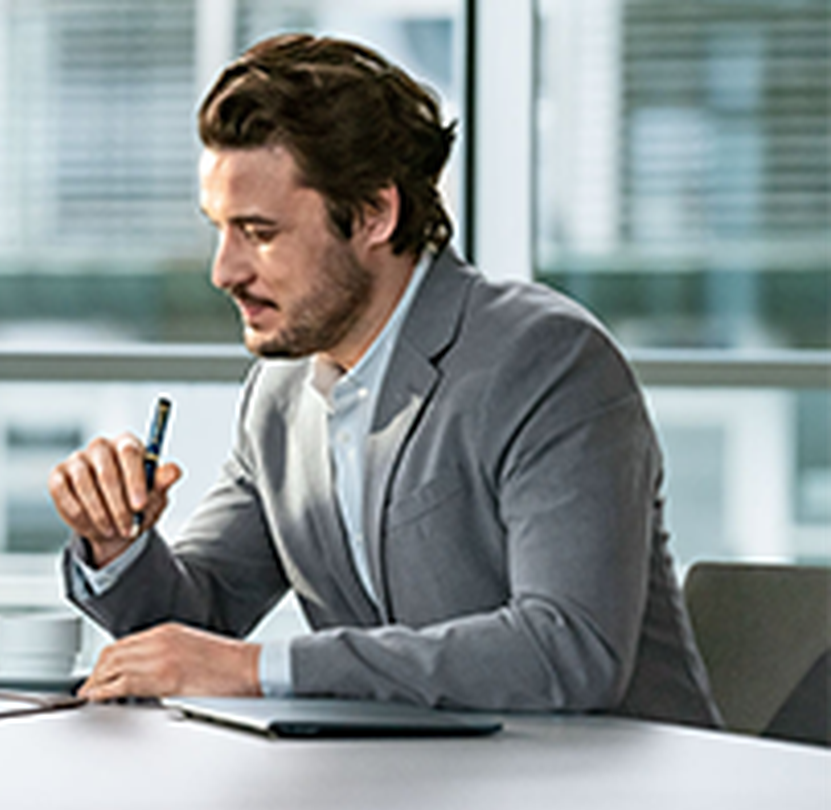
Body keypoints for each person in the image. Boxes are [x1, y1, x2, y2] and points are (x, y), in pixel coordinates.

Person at [47, 33, 720, 726]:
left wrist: (261, 672)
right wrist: (115, 544)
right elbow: (195, 625)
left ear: (374, 213)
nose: (223, 271)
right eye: (219, 229)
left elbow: (566, 649)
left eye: (258, 232)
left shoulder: (544, 359)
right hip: (412, 784)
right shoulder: (277, 399)